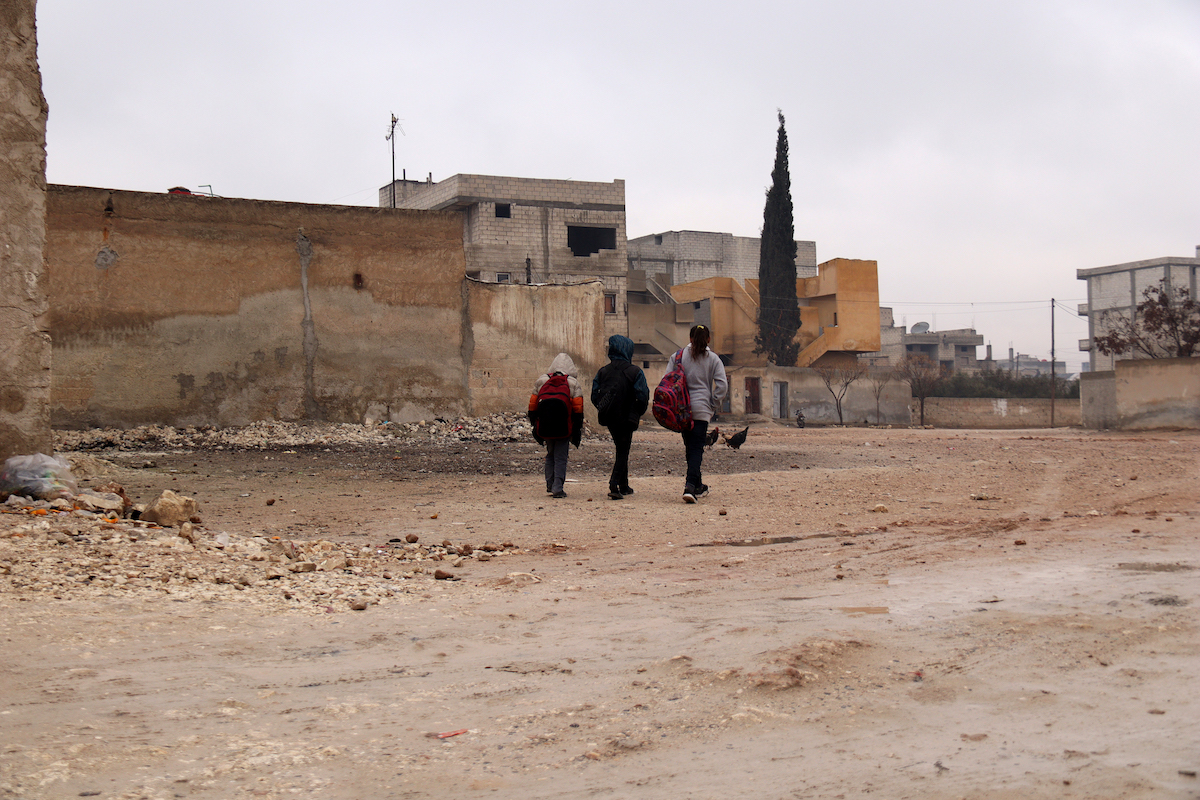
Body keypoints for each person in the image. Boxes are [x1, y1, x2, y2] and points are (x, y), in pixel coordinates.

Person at [667, 325, 728, 503]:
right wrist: (713, 404)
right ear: (708, 339)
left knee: (690, 448)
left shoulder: (677, 357)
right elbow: (722, 385)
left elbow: (667, 380)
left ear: (690, 338)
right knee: (696, 449)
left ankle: (697, 485)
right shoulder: (714, 359)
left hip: (682, 410)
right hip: (701, 410)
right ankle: (690, 487)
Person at [590, 335, 649, 500]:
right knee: (623, 449)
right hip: (627, 417)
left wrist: (604, 408)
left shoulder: (603, 371)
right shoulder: (635, 372)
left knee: (621, 447)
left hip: (609, 417)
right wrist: (636, 412)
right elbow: (643, 396)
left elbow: (594, 396)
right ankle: (614, 483)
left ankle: (624, 485)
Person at [528, 353, 584, 498]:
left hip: (545, 425)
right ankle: (558, 487)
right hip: (564, 426)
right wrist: (577, 428)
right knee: (561, 457)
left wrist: (535, 423)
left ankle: (550, 483)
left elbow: (532, 405)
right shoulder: (573, 383)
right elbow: (578, 409)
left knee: (550, 454)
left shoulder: (542, 380)